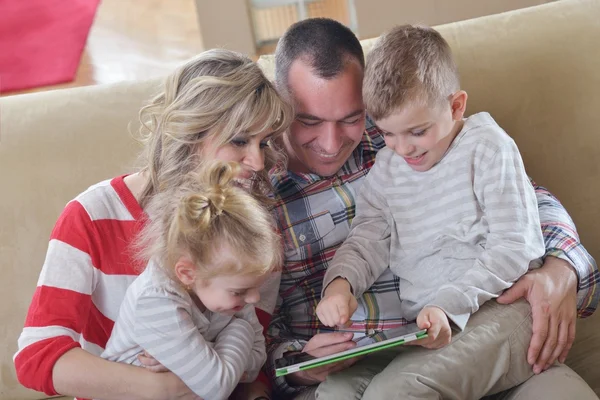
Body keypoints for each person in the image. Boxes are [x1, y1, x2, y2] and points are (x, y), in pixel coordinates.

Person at [266, 18, 599, 399]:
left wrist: (563, 266)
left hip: (488, 313)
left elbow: (525, 210)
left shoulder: (409, 128)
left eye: (352, 118)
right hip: (405, 342)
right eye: (309, 120)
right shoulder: (257, 196)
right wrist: (337, 292)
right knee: (338, 394)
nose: (330, 141)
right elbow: (367, 237)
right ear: (280, 101)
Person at [14, 49, 293, 400]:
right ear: (190, 132)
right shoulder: (90, 215)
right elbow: (37, 358)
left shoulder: (253, 234)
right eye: (239, 140)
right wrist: (160, 387)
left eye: (263, 143)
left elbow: (249, 361)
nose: (257, 160)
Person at [316, 24, 545, 399]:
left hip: (503, 312)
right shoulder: (388, 169)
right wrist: (341, 285)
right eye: (388, 134)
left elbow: (516, 247)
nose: (403, 149)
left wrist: (447, 306)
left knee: (395, 392)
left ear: (456, 106)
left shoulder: (487, 148)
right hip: (429, 326)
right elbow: (367, 237)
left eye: (417, 132)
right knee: (336, 391)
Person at [102, 161, 282, 400]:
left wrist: (201, 362)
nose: (254, 298)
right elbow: (216, 388)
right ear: (187, 274)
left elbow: (256, 360)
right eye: (240, 291)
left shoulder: (229, 292)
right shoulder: (155, 300)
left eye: (255, 287)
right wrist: (240, 329)